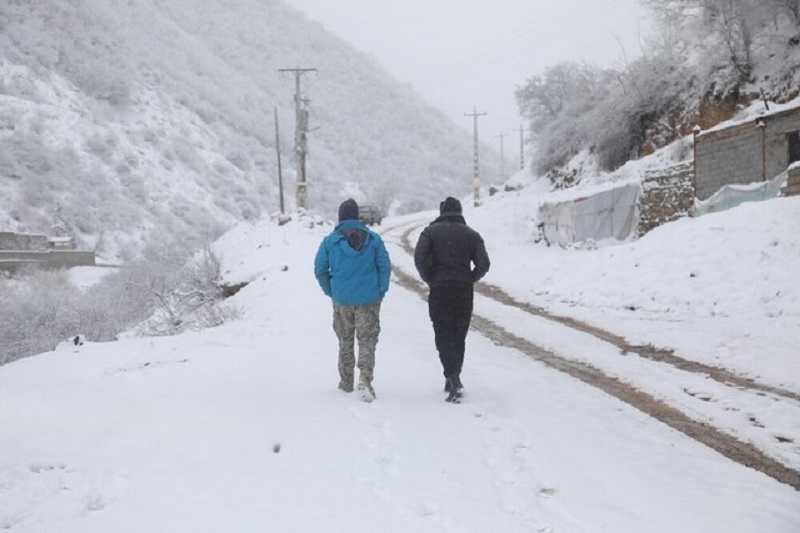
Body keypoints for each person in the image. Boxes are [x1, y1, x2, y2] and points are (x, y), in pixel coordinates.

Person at [414, 196, 490, 402]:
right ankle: (454, 374)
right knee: (459, 333)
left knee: (442, 332)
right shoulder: (472, 235)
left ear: (442, 212)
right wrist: (470, 278)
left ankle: (452, 376)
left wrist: (430, 277)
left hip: (439, 289)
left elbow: (419, 258)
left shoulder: (429, 232)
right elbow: (484, 263)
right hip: (463, 290)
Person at [314, 198, 391, 402]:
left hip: (342, 300)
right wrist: (380, 290)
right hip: (369, 299)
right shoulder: (373, 239)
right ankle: (365, 380)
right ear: (357, 216)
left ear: (340, 217)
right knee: (367, 340)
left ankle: (346, 382)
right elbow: (384, 267)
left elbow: (320, 270)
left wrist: (331, 291)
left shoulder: (330, 242)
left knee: (344, 340)